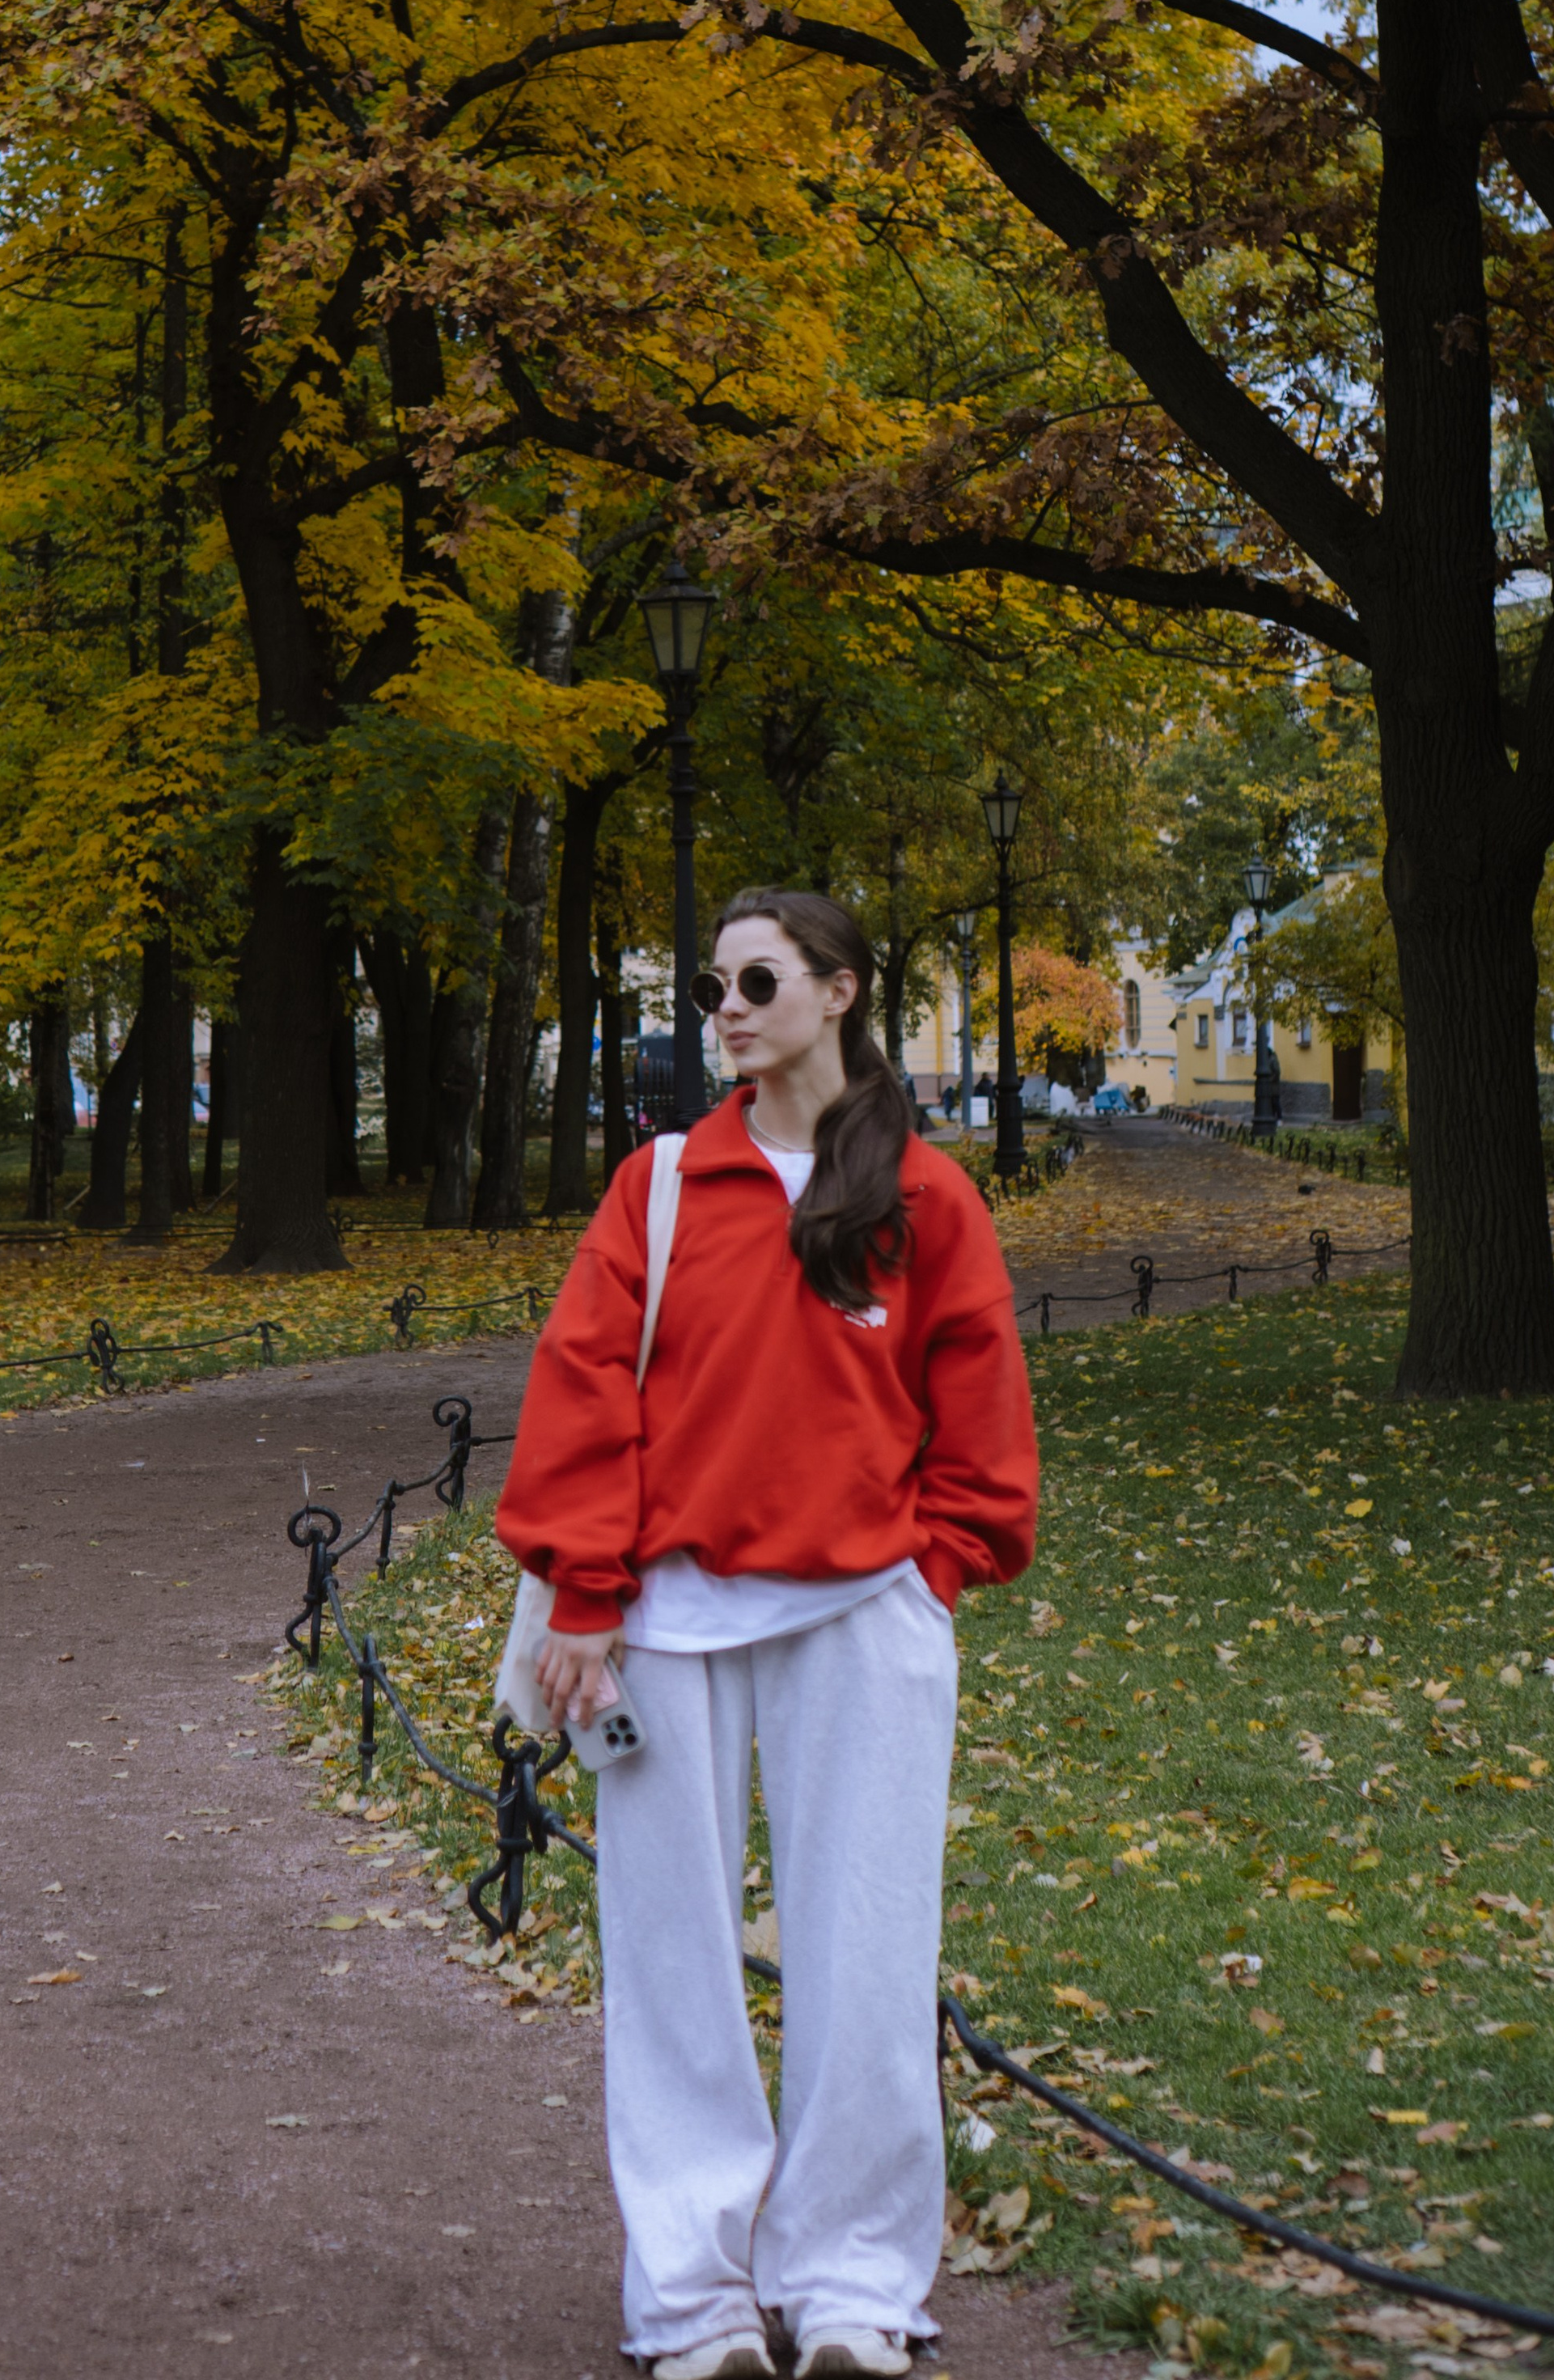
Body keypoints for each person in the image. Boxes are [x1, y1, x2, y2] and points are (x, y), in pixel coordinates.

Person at [496, 888, 1038, 2380]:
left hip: (865, 1620)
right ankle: (694, 2300)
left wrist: (934, 1572)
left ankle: (854, 2289)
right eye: (712, 989)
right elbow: (586, 1385)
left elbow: (981, 1416)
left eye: (755, 982)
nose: (725, 1012)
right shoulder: (664, 1183)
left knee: (868, 1958)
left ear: (839, 991)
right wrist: (586, 1599)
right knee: (672, 1968)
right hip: (666, 1625)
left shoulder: (926, 1196)